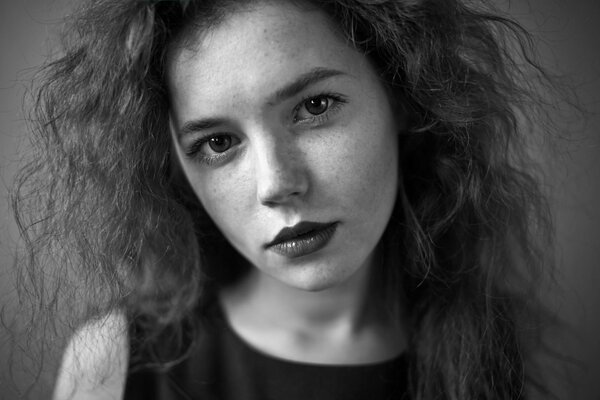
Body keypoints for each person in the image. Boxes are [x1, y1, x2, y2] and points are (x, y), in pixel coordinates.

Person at [10, 0, 563, 399]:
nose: (276, 183)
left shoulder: (488, 350)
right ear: (176, 167)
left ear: (402, 97)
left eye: (316, 106)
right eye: (218, 143)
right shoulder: (117, 366)